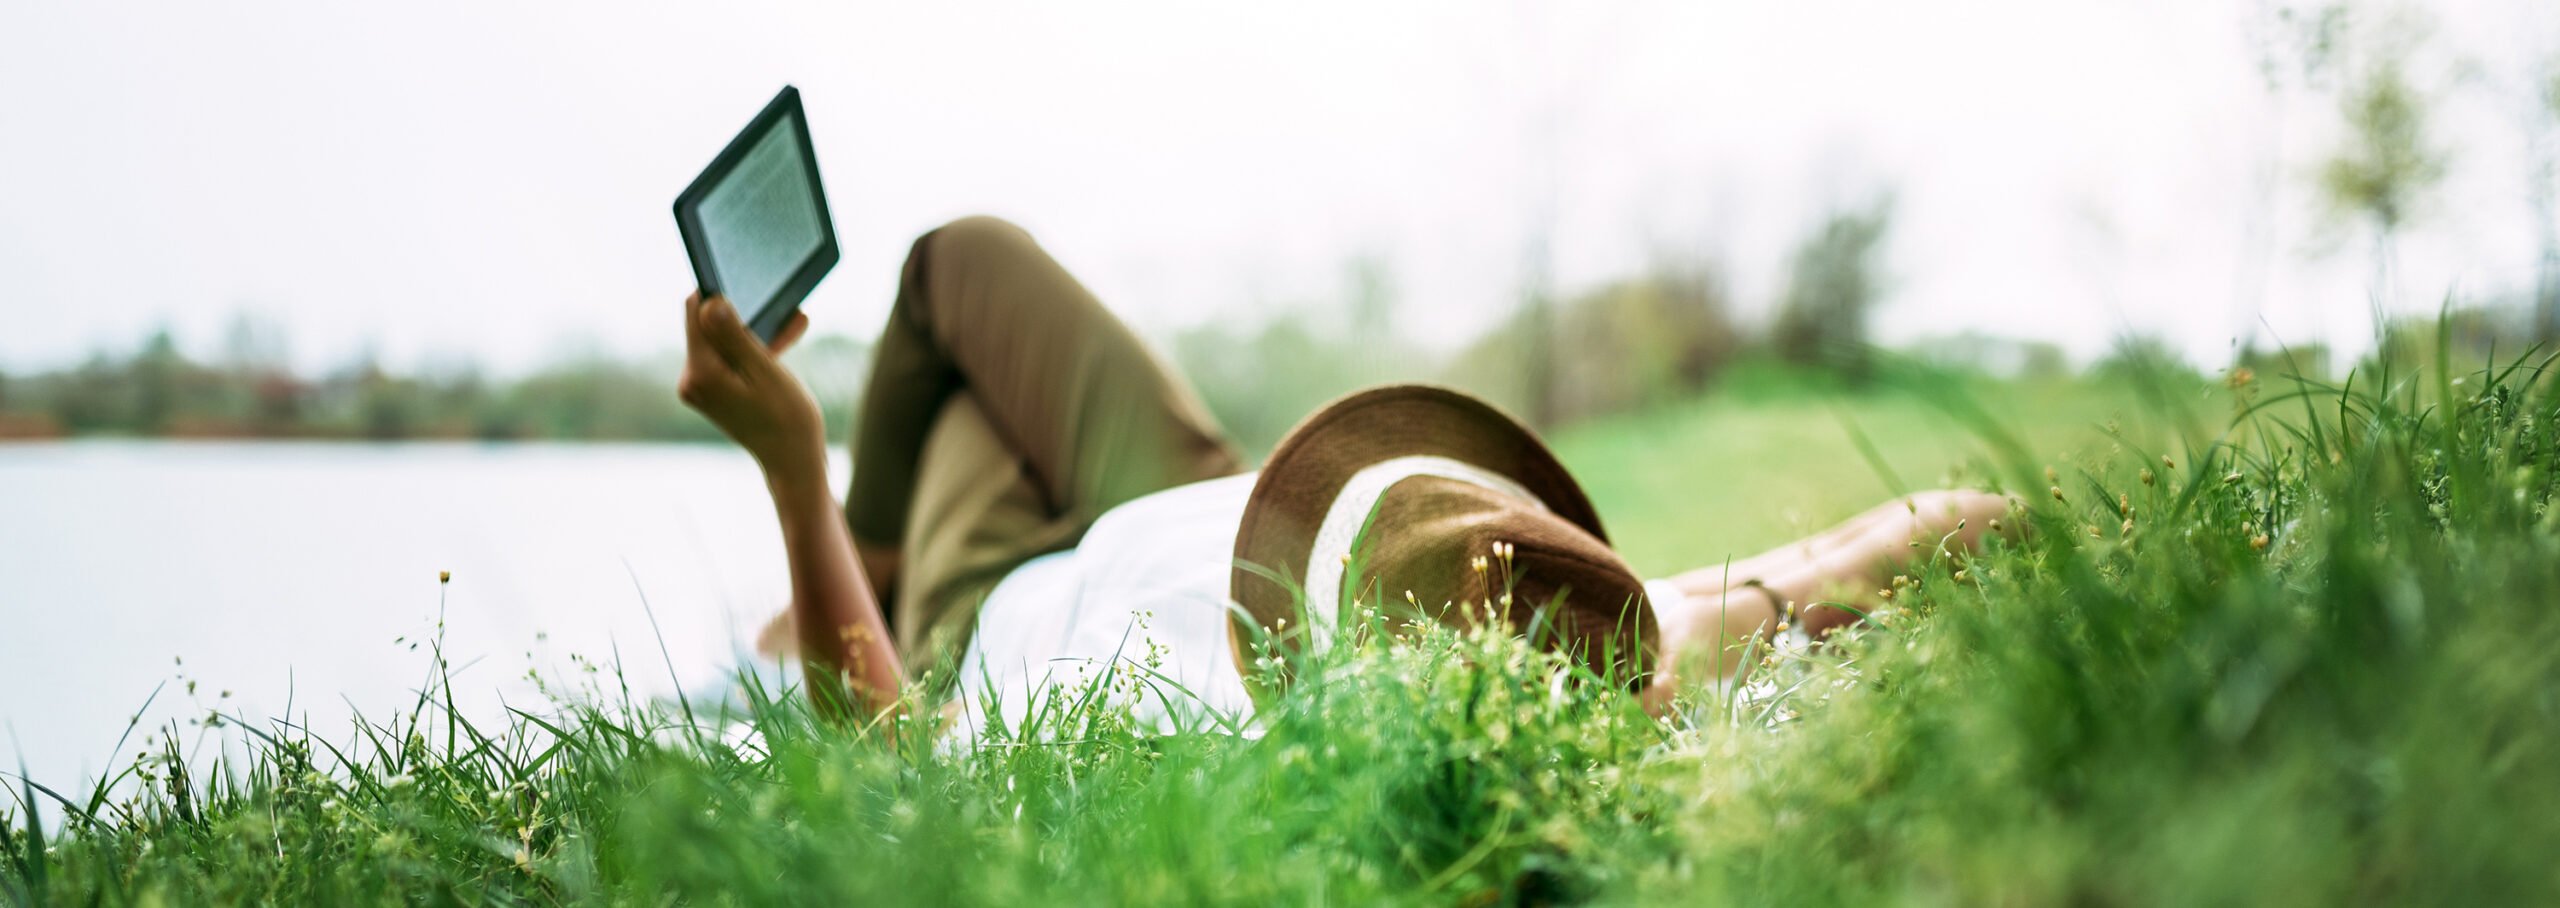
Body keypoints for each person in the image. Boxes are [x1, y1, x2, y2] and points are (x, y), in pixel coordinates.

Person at [677, 215, 2011, 739]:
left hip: (1004, 604)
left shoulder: (1143, 723)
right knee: (957, 265)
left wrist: (795, 471)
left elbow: (895, 749)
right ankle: (837, 582)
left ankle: (830, 598)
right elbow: (1887, 545)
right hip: (1211, 513)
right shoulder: (1568, 614)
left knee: (940, 308)